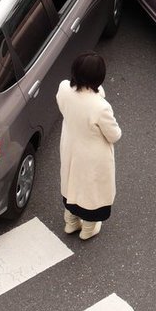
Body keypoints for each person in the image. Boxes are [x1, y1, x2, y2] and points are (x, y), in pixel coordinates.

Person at [56, 51, 122, 240]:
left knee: (71, 184)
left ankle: (71, 222)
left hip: (70, 146)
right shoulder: (100, 107)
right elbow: (114, 135)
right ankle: (88, 229)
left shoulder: (63, 89)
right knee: (91, 192)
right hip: (93, 156)